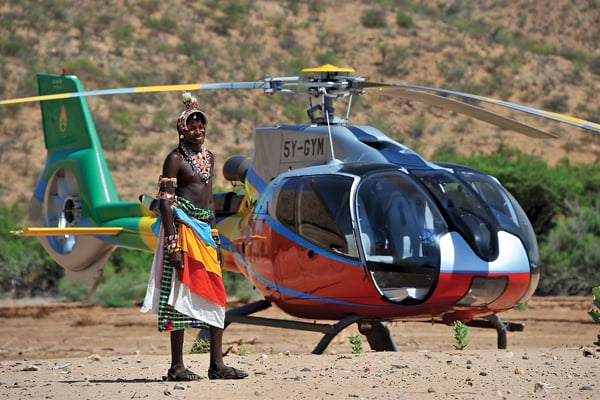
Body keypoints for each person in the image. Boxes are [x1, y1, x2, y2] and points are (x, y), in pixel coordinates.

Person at [141, 92, 248, 381]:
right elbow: (165, 202)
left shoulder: (209, 157)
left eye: (201, 127)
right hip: (182, 230)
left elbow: (210, 201)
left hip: (203, 231)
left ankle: (217, 365)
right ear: (182, 130)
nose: (198, 131)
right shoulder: (174, 159)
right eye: (192, 127)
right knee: (179, 296)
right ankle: (176, 366)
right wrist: (173, 243)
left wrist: (214, 237)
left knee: (216, 295)